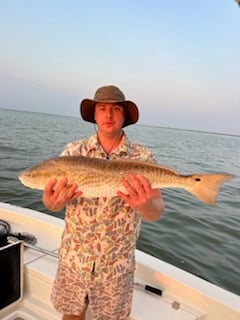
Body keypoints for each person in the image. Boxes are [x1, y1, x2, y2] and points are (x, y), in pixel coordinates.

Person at [42, 85, 165, 320]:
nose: (108, 115)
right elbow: (51, 202)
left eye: (116, 109)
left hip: (116, 265)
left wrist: (145, 205)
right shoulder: (73, 151)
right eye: (102, 108)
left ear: (124, 115)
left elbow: (156, 211)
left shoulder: (143, 157)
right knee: (71, 315)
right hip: (74, 258)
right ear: (94, 115)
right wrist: (52, 203)